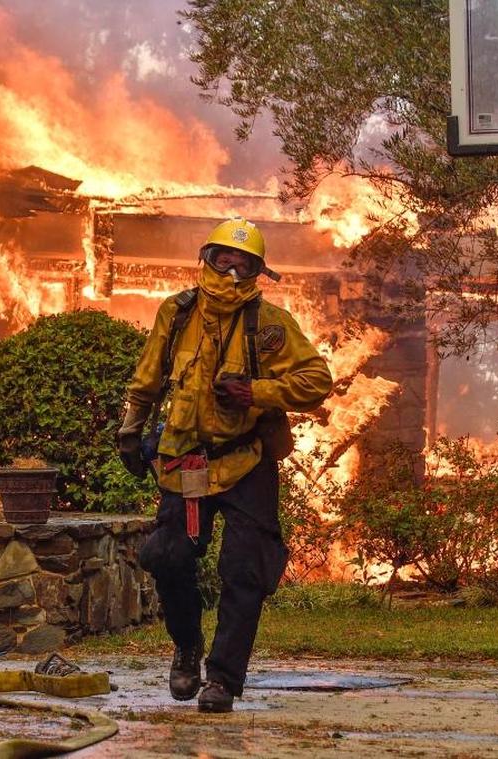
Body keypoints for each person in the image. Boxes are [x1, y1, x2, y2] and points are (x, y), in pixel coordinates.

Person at [117, 218, 333, 713]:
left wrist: (254, 391)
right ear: (206, 260)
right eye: (224, 259)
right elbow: (148, 379)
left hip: (246, 461)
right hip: (186, 461)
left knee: (244, 571)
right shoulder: (175, 313)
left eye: (246, 263)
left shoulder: (270, 324)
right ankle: (187, 646)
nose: (233, 270)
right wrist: (130, 430)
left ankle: (223, 679)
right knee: (169, 555)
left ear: (260, 271)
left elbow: (316, 379)